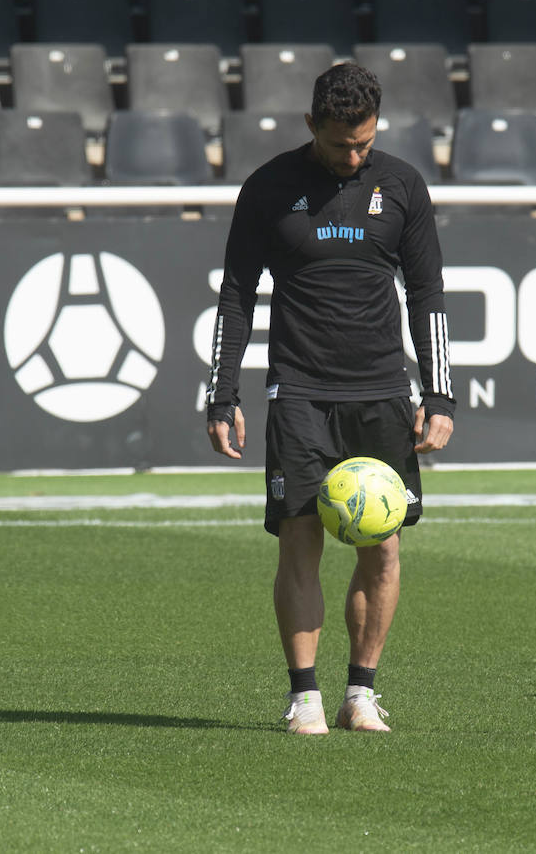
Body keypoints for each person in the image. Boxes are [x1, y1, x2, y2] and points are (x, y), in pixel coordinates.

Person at [204, 63, 456, 734]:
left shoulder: (401, 184)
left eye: (365, 143)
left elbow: (428, 295)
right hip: (300, 392)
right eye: (343, 143)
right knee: (299, 538)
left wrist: (440, 395)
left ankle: (362, 693)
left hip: (381, 392)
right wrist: (220, 393)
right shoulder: (268, 187)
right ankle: (305, 696)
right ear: (312, 123)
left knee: (384, 548)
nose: (354, 156)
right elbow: (237, 295)